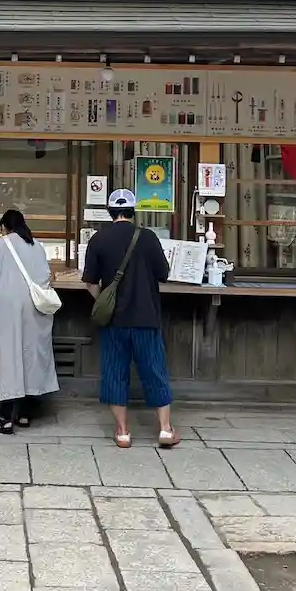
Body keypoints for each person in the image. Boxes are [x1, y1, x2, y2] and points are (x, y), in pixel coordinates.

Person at [82, 188, 181, 450]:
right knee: (154, 370)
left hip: (114, 321)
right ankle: (165, 429)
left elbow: (90, 282)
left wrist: (105, 301)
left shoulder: (99, 239)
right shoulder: (147, 237)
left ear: (110, 211)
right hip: (146, 317)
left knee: (115, 373)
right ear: (133, 211)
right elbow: (163, 273)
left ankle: (123, 432)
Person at [0, 208, 58, 433]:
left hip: (9, 307)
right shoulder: (37, 246)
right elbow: (47, 276)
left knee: (9, 357)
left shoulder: (2, 244)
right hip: (35, 308)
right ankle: (24, 414)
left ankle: (5, 418)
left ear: (5, 226)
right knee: (31, 357)